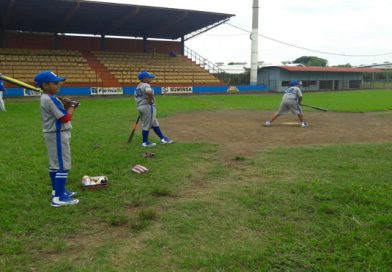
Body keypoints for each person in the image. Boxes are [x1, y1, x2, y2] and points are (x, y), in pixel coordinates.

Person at [34, 71, 79, 207]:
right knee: (63, 165)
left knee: (55, 164)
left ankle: (58, 190)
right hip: (58, 133)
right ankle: (59, 198)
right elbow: (65, 118)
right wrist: (72, 107)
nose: (58, 85)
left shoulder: (47, 98)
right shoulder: (50, 99)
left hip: (53, 133)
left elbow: (60, 113)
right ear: (45, 85)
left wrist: (66, 105)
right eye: (55, 83)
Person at [134, 71, 173, 147]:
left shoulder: (138, 86)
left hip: (141, 106)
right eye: (149, 77)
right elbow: (149, 92)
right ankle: (145, 142)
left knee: (154, 123)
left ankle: (163, 139)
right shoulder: (146, 85)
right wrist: (150, 100)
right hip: (147, 107)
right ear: (145, 79)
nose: (151, 79)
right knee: (147, 125)